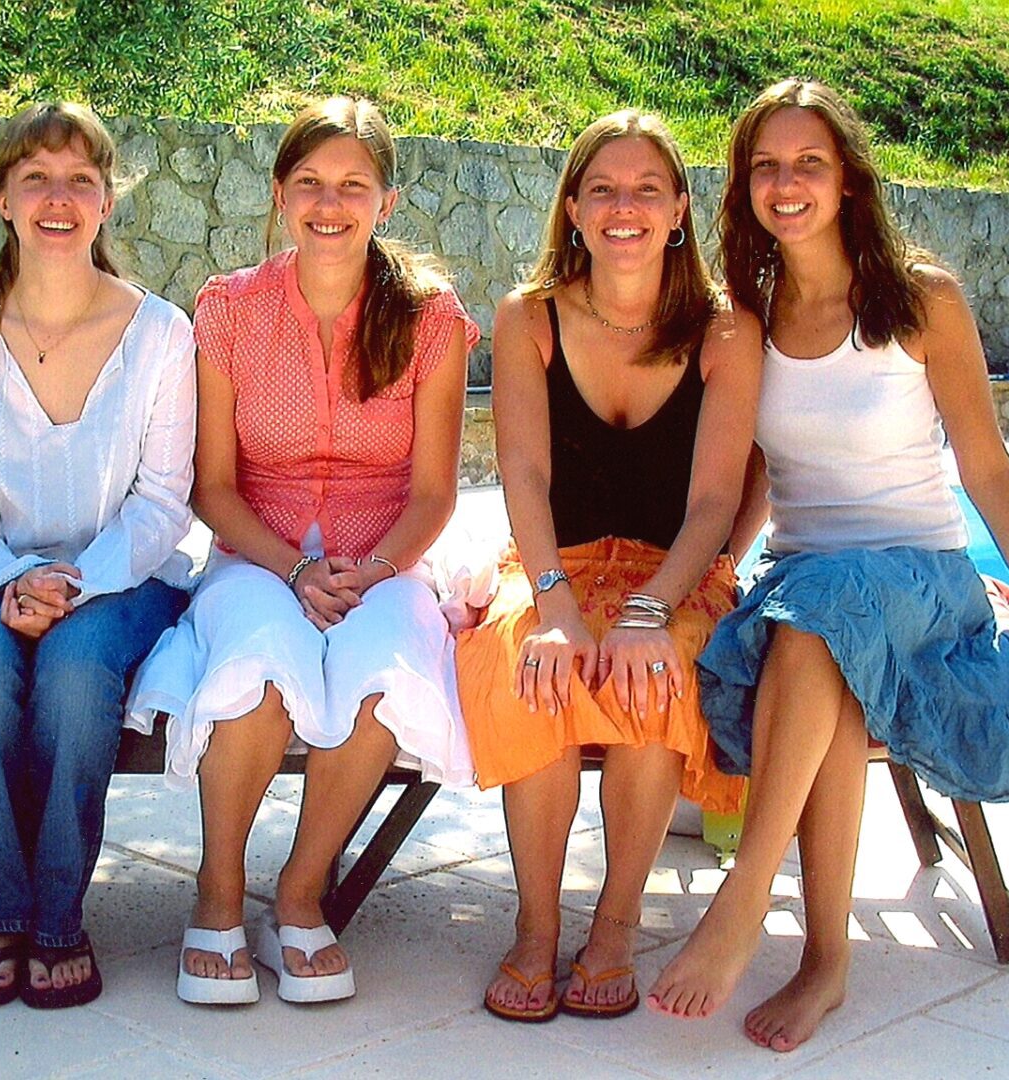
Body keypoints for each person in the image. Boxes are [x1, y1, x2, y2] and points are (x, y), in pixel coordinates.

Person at [646, 79, 1009, 1052]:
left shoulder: (918, 300)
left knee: (818, 614)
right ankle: (823, 966)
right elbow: (751, 477)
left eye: (808, 163)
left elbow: (986, 467)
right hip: (809, 592)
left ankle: (746, 899)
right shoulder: (744, 317)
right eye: (765, 165)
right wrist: (713, 563)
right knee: (812, 635)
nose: (785, 182)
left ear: (846, 180)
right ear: (742, 184)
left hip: (921, 582)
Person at [126, 96, 478, 1005]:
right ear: (282, 195)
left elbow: (436, 490)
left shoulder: (431, 319)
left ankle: (299, 892)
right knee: (260, 669)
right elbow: (214, 487)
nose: (332, 203)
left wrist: (376, 570)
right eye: (312, 183)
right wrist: (290, 568)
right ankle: (215, 896)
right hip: (256, 554)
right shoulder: (230, 310)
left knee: (385, 677)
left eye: (354, 185)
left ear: (386, 202)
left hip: (385, 557)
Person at [454, 110, 761, 1023]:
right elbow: (526, 475)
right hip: (556, 559)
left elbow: (715, 505)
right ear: (575, 210)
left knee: (657, 677)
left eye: (646, 190)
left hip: (680, 572)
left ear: (678, 213)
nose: (624, 208)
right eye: (603, 190)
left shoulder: (725, 331)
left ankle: (617, 926)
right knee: (531, 665)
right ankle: (539, 927)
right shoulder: (527, 318)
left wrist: (649, 612)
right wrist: (551, 604)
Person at [0, 102, 194, 1009]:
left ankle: (58, 921)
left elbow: (163, 501)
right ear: (2, 200)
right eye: (36, 177)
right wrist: (10, 578)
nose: (58, 197)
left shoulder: (160, 334)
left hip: (121, 580)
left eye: (80, 179)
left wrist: (76, 582)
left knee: (75, 674)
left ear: (108, 201)